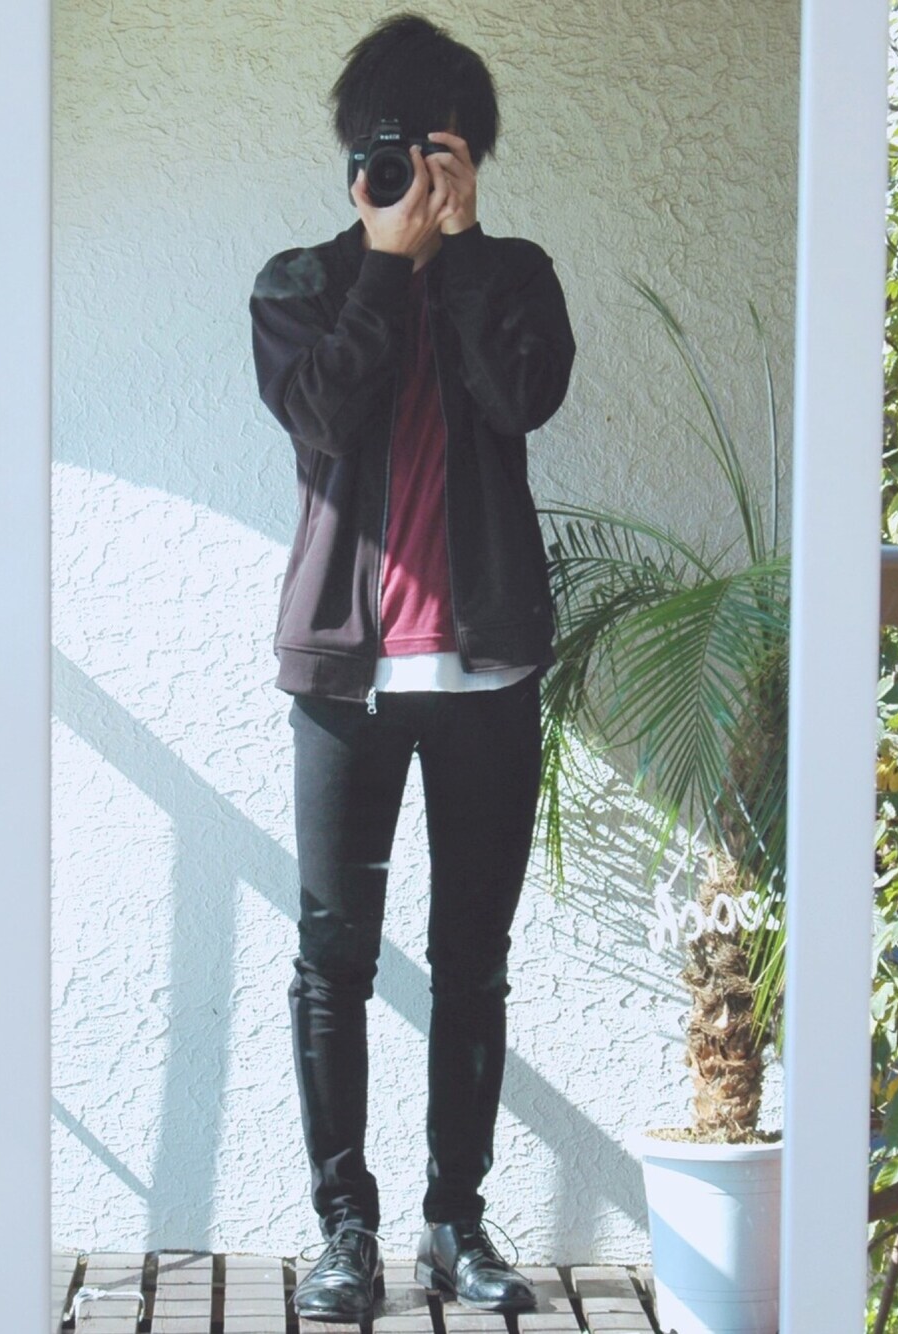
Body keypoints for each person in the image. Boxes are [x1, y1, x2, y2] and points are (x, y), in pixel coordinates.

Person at [249, 13, 575, 1323]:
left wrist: (466, 251)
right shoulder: (299, 284)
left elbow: (522, 400)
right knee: (332, 957)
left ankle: (456, 1220)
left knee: (472, 959)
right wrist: (386, 266)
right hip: (348, 676)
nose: (408, 174)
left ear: (469, 156)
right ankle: (346, 1228)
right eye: (388, 150)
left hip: (487, 674)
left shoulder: (517, 277)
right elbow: (322, 418)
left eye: (435, 151)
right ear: (354, 157)